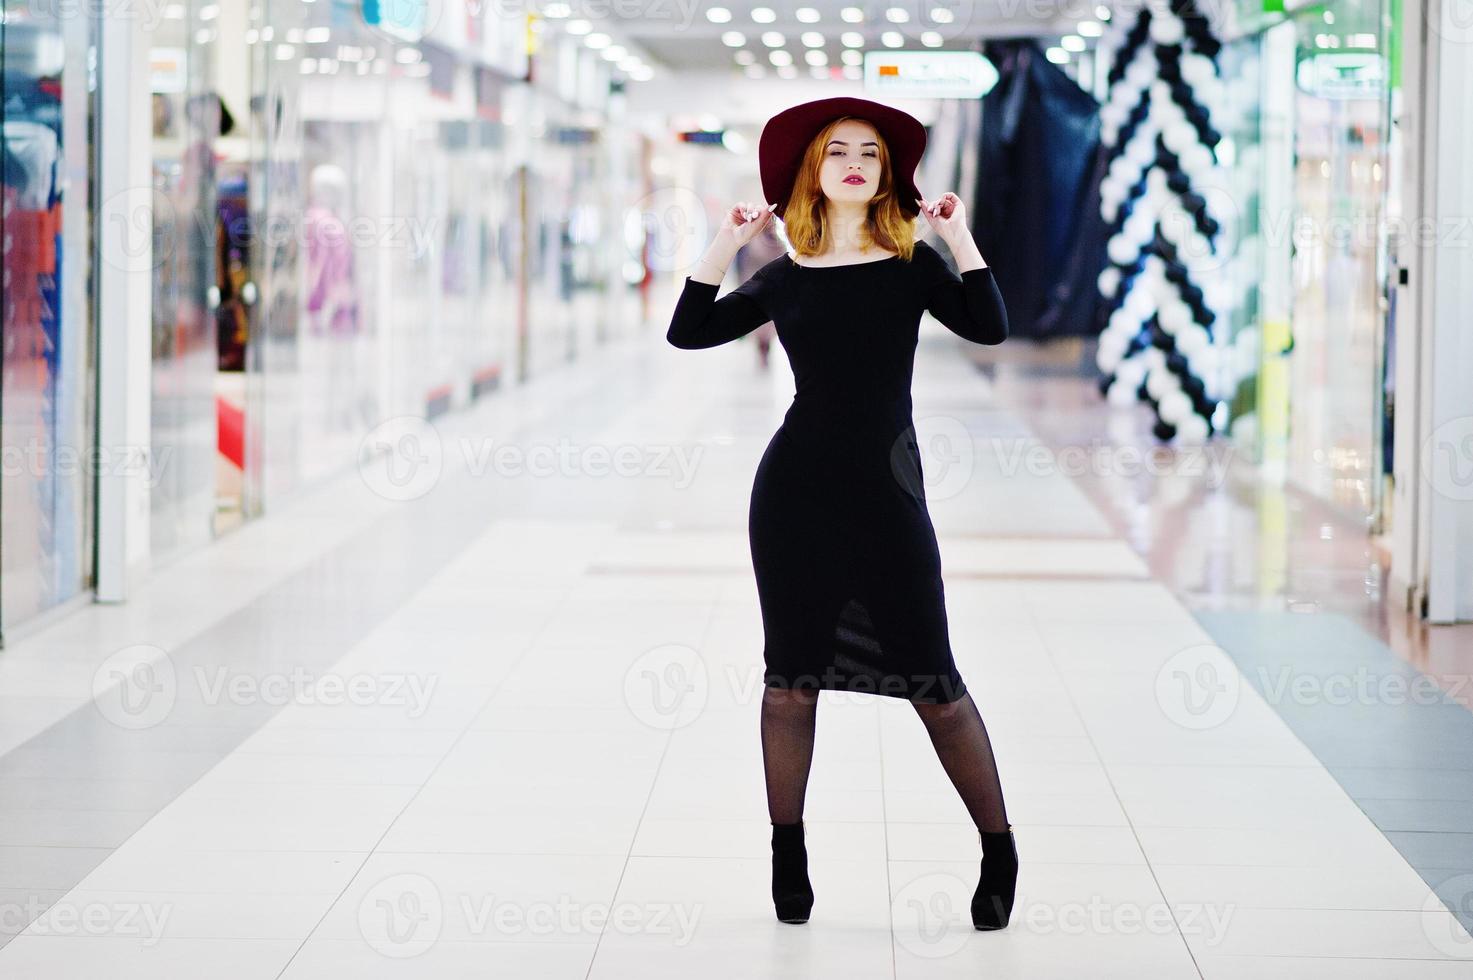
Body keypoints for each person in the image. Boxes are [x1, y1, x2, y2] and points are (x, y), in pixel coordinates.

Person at [665, 97, 1018, 931]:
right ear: (812, 176)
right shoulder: (784, 275)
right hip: (793, 498)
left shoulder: (914, 265)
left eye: (870, 152)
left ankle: (997, 848)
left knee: (936, 684)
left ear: (887, 176)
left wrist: (958, 235)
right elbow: (688, 332)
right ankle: (788, 854)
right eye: (837, 152)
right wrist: (726, 238)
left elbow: (989, 326)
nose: (855, 161)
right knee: (787, 685)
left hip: (888, 497)